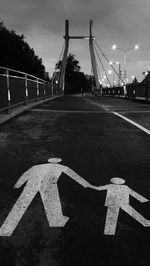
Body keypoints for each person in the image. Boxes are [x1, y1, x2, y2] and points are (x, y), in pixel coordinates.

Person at [0, 158, 95, 236]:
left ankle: (5, 229)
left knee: (20, 205)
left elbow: (25, 175)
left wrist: (18, 184)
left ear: (49, 161)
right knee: (52, 203)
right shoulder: (62, 167)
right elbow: (75, 176)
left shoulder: (36, 167)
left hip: (32, 184)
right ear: (58, 162)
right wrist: (88, 185)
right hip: (48, 185)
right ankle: (56, 222)